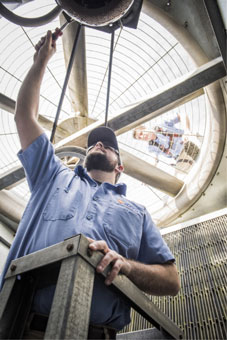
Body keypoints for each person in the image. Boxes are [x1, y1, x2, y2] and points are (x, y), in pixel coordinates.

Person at [0, 31, 180, 339]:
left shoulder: (137, 212)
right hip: (19, 325)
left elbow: (171, 281)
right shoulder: (53, 175)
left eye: (108, 145)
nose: (98, 143)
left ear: (119, 166)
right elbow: (23, 117)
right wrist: (41, 61)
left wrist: (126, 265)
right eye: (93, 142)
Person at [133, 115, 200, 170]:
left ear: (145, 128)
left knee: (200, 152)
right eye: (139, 138)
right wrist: (148, 173)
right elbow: (153, 160)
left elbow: (182, 115)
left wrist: (187, 131)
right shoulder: (151, 148)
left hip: (188, 141)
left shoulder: (162, 124)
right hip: (181, 157)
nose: (142, 137)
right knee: (182, 172)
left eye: (141, 133)